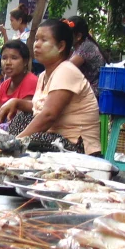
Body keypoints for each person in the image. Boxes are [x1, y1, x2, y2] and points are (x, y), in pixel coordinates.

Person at [14, 19, 102, 154]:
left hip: (77, 145)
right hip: (55, 138)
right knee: (21, 120)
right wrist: (16, 103)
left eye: (43, 40)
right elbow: (39, 108)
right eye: (36, 39)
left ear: (61, 46)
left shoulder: (66, 70)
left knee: (32, 137)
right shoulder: (43, 75)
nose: (36, 44)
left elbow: (49, 115)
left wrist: (15, 142)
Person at [0, 40, 37, 125]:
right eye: (4, 58)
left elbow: (20, 121)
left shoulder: (31, 81)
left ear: (25, 62)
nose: (8, 63)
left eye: (14, 58)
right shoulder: (4, 85)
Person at [67, 15, 105, 97]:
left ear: (78, 36)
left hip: (92, 94)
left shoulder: (86, 47)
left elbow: (66, 68)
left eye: (68, 34)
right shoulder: (79, 47)